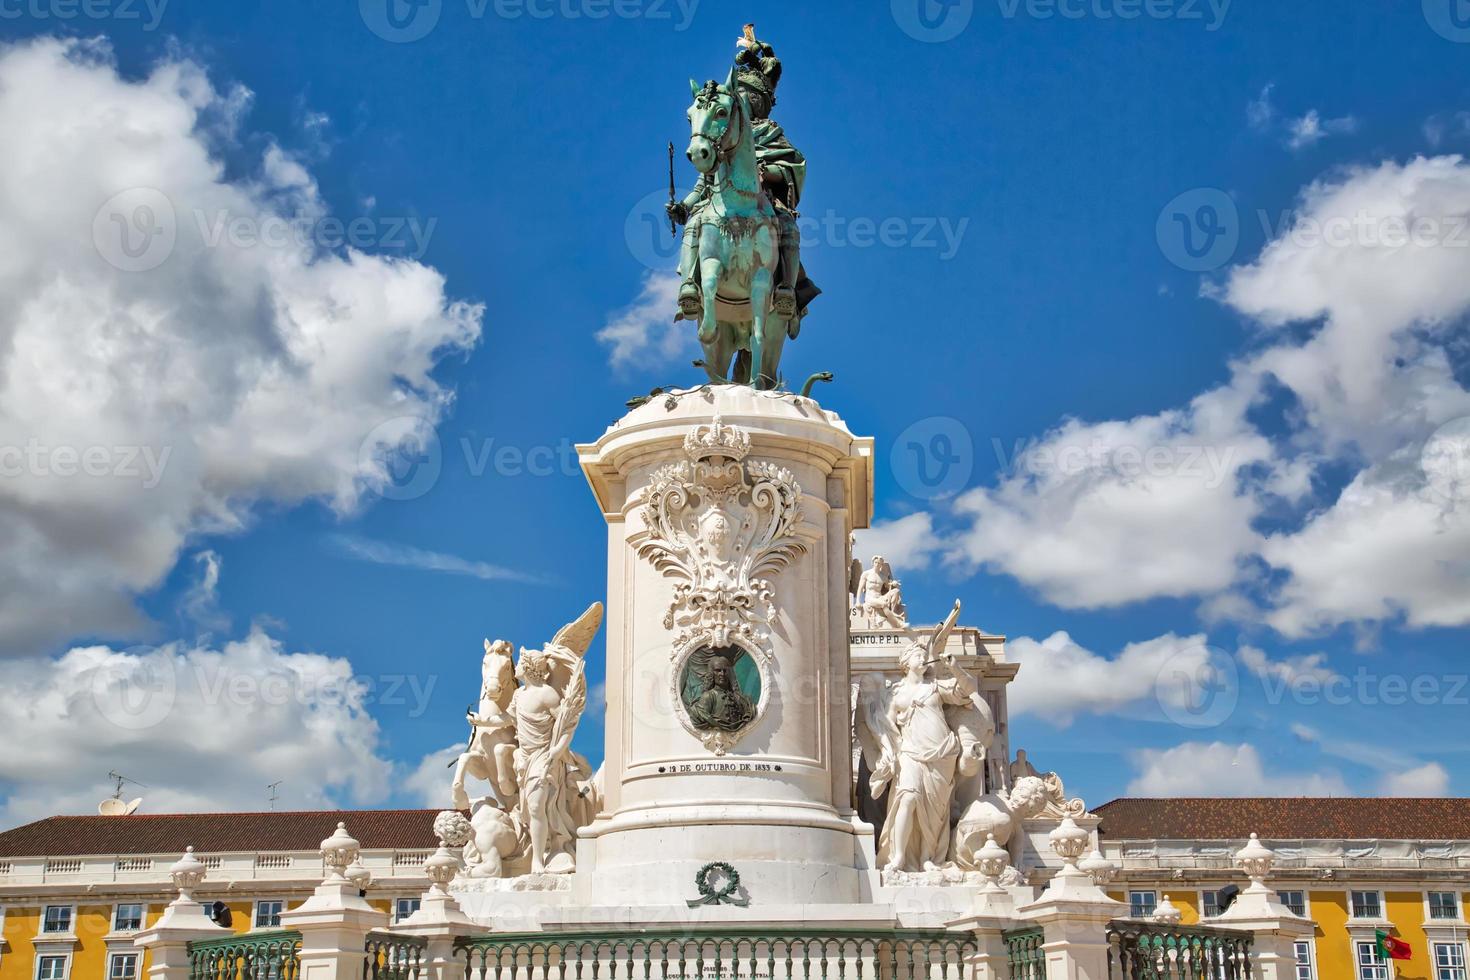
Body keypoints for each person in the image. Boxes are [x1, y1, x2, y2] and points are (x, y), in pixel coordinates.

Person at [669, 25, 820, 323]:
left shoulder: (770, 132)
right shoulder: (723, 137)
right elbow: (705, 180)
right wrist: (685, 206)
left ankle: (787, 290)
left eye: (750, 97)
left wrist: (767, 172)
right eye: (741, 97)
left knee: (788, 227)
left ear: (760, 102)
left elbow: (793, 167)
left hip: (765, 201)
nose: (745, 102)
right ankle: (690, 285)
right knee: (697, 223)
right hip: (721, 200)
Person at [688, 653, 757, 732]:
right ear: (712, 673)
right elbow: (700, 716)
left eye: (725, 671)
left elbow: (749, 712)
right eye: (718, 670)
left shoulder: (738, 698)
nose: (722, 674)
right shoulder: (708, 696)